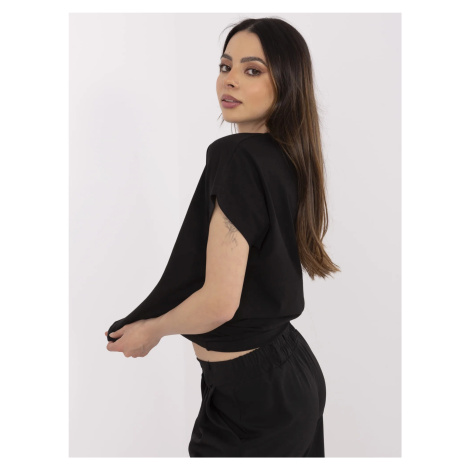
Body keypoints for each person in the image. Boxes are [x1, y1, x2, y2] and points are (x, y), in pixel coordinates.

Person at [105, 16, 340, 457]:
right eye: (225, 66)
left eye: (252, 70)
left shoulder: (236, 156)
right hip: (277, 381)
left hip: (257, 400)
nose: (229, 80)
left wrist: (152, 331)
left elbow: (219, 303)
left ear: (287, 83)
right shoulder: (285, 158)